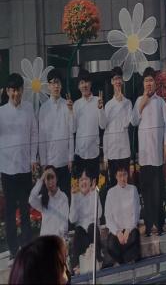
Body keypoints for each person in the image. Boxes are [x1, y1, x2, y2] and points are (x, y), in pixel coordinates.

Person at [0, 73, 37, 259]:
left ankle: (27, 245)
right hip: (7, 169)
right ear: (7, 91)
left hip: (24, 168)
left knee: (24, 209)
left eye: (19, 90)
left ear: (23, 90)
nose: (16, 93)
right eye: (12, 90)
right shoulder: (1, 112)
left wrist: (33, 158)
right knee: (9, 212)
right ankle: (13, 251)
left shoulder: (29, 108)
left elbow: (34, 133)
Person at [131, 66, 166, 237]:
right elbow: (133, 121)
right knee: (146, 193)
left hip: (158, 156)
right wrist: (142, 103)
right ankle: (148, 226)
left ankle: (159, 225)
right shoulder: (139, 101)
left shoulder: (160, 102)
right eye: (146, 80)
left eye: (151, 80)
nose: (149, 83)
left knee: (158, 193)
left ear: (155, 83)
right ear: (143, 83)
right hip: (144, 156)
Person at [38, 69, 74, 202]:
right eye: (52, 83)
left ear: (61, 85)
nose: (56, 86)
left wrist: (70, 157)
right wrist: (43, 162)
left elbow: (71, 132)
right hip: (50, 162)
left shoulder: (67, 105)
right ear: (48, 86)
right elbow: (41, 138)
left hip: (64, 161)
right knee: (50, 199)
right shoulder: (44, 108)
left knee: (65, 196)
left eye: (58, 83)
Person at [100, 66, 132, 188]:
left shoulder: (128, 103)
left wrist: (121, 101)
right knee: (113, 186)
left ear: (122, 81)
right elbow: (104, 128)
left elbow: (126, 123)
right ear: (112, 82)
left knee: (125, 185)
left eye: (119, 78)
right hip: (112, 153)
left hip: (124, 151)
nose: (118, 81)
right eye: (115, 79)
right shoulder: (108, 105)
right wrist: (105, 156)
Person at [73, 68, 106, 181]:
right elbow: (73, 129)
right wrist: (70, 113)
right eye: (81, 83)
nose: (84, 85)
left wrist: (100, 109)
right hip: (80, 153)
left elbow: (103, 125)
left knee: (94, 186)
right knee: (80, 186)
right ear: (78, 86)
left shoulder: (98, 100)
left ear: (90, 83)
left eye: (86, 82)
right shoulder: (76, 105)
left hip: (94, 153)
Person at [104, 164, 141, 264]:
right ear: (116, 176)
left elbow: (136, 212)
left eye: (124, 175)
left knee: (133, 239)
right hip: (117, 231)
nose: (122, 178)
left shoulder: (133, 189)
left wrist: (128, 230)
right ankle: (124, 261)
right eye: (120, 175)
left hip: (130, 229)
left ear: (127, 175)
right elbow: (108, 216)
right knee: (111, 246)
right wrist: (118, 232)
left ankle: (127, 261)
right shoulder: (110, 193)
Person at [69, 167, 103, 269]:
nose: (84, 182)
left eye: (86, 179)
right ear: (78, 182)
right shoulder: (76, 196)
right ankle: (76, 266)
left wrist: (93, 194)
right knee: (78, 230)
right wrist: (73, 198)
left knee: (92, 227)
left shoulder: (94, 193)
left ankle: (98, 259)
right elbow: (72, 219)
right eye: (81, 180)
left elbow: (99, 214)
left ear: (91, 181)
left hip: (93, 234)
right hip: (82, 237)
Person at [28, 165, 69, 238]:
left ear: (57, 178)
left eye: (52, 177)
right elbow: (31, 199)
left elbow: (64, 223)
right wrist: (41, 178)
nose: (50, 182)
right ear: (44, 181)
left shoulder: (63, 197)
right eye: (47, 178)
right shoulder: (43, 198)